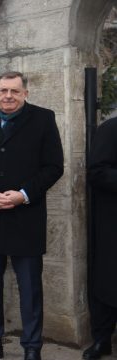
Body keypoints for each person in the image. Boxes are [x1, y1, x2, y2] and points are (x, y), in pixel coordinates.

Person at [0, 71, 64, 360]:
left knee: (30, 288)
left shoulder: (43, 119)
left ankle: (32, 348)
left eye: (15, 91)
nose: (8, 96)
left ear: (25, 94)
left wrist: (23, 194)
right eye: (4, 90)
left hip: (26, 217)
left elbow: (54, 166)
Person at [83, 116, 117, 360]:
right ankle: (102, 340)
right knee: (109, 284)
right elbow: (96, 172)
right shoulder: (110, 129)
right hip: (112, 224)